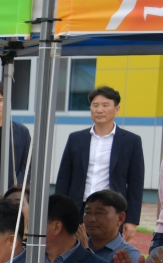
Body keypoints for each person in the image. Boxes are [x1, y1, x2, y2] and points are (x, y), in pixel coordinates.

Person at [56, 86, 143, 242]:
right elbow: (64, 178)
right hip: (79, 207)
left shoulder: (131, 141)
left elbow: (136, 183)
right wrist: (59, 213)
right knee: (74, 253)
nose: (99, 109)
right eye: (95, 105)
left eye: (105, 105)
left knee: (106, 254)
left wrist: (132, 220)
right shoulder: (76, 139)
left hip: (111, 210)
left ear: (117, 109)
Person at [79, 189, 142, 263]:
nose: (91, 219)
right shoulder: (75, 246)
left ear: (120, 218)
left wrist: (85, 251)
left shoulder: (128, 255)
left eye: (99, 213)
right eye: (88, 213)